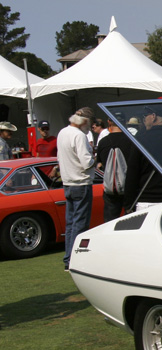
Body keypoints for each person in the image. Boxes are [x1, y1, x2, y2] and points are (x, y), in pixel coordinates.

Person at [56, 114, 95, 270]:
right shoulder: (79, 135)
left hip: (68, 182)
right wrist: (95, 159)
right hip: (81, 181)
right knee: (80, 224)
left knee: (71, 224)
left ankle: (68, 258)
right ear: (83, 122)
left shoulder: (62, 132)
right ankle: (74, 259)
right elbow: (86, 161)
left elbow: (59, 157)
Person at [95, 118, 134, 222]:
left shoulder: (103, 142)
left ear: (109, 122)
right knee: (131, 220)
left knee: (110, 221)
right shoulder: (132, 141)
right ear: (124, 122)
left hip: (110, 188)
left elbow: (99, 163)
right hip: (129, 187)